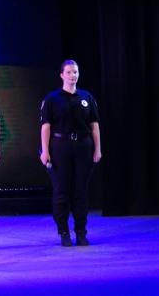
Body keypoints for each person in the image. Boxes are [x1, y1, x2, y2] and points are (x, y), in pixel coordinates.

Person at [39, 60, 102, 246]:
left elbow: (94, 125)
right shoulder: (52, 99)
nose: (72, 75)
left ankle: (81, 232)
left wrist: (97, 148)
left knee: (81, 190)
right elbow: (46, 127)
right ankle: (64, 231)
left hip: (83, 146)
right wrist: (45, 150)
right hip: (60, 146)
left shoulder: (86, 97)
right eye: (68, 72)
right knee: (62, 190)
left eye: (75, 72)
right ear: (61, 75)